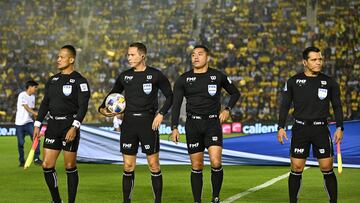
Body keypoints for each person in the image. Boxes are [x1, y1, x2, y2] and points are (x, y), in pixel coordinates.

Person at [99, 42, 173, 203]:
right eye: (128, 55)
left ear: (142, 56)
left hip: (148, 123)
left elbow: (170, 96)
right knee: (128, 166)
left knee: (153, 165)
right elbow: (112, 94)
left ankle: (158, 201)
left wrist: (161, 114)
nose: (129, 58)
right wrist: (102, 109)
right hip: (129, 123)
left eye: (132, 55)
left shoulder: (155, 75)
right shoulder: (125, 76)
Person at [171, 45, 240, 203]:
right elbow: (176, 105)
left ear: (207, 58)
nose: (195, 57)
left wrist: (227, 109)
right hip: (193, 125)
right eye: (193, 55)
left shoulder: (217, 76)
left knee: (216, 161)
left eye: (200, 54)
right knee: (197, 165)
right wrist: (174, 127)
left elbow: (235, 93)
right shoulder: (184, 79)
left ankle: (215, 197)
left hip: (212, 124)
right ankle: (197, 200)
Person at [277, 46, 344, 203]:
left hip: (321, 129)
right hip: (300, 129)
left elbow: (337, 106)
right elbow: (285, 106)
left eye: (320, 59)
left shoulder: (329, 82)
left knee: (327, 168)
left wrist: (340, 127)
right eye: (314, 59)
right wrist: (280, 127)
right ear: (304, 62)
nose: (318, 62)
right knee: (297, 168)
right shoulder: (293, 81)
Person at [33, 45, 90, 203]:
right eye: (58, 56)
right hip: (52, 126)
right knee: (47, 165)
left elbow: (83, 106)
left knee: (70, 165)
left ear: (71, 59)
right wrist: (38, 123)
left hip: (69, 125)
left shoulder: (80, 81)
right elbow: (45, 103)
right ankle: (56, 200)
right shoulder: (53, 80)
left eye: (61, 57)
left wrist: (75, 127)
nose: (58, 59)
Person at [15, 80, 42, 167]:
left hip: (29, 122)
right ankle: (22, 161)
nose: (36, 89)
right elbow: (26, 107)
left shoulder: (33, 97)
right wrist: (35, 113)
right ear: (30, 87)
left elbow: (31, 110)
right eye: (35, 87)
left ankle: (36, 158)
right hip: (19, 123)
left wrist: (36, 121)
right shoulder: (22, 95)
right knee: (21, 143)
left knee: (36, 138)